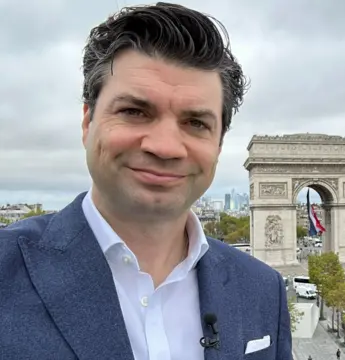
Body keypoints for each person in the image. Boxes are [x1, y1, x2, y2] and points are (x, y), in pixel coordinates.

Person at [0, 3, 291, 360]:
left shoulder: (264, 289)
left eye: (196, 122)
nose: (165, 147)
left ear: (218, 144)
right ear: (87, 123)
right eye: (135, 112)